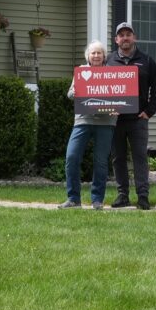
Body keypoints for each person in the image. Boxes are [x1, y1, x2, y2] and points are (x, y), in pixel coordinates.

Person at [108, 21, 156, 210]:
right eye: (121, 35)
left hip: (138, 119)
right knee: (118, 158)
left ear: (134, 37)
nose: (125, 38)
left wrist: (149, 112)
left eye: (128, 34)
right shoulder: (109, 61)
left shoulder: (147, 61)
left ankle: (143, 196)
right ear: (116, 40)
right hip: (115, 120)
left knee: (140, 157)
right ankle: (122, 196)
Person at [58, 40, 117, 210]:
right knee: (71, 157)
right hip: (83, 120)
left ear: (104, 56)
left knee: (100, 161)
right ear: (88, 56)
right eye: (93, 53)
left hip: (106, 122)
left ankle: (97, 200)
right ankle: (73, 199)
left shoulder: (111, 74)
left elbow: (121, 93)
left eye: (99, 53)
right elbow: (70, 94)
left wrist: (119, 107)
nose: (96, 56)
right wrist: (74, 92)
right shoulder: (82, 72)